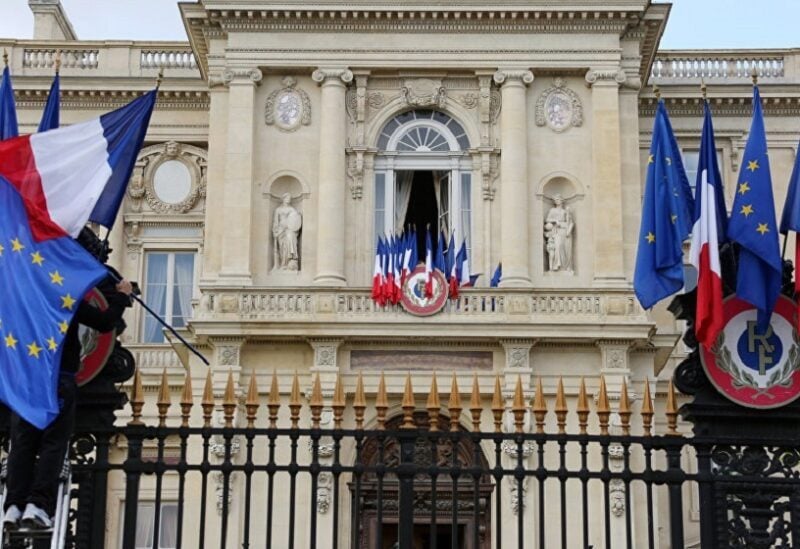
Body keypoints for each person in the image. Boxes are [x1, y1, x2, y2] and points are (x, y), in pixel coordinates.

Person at [2, 228, 132, 530]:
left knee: (22, 443)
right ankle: (38, 505)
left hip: (25, 381)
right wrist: (122, 297)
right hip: (58, 378)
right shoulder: (60, 296)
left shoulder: (19, 295)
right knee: (53, 442)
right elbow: (104, 322)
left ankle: (12, 507)